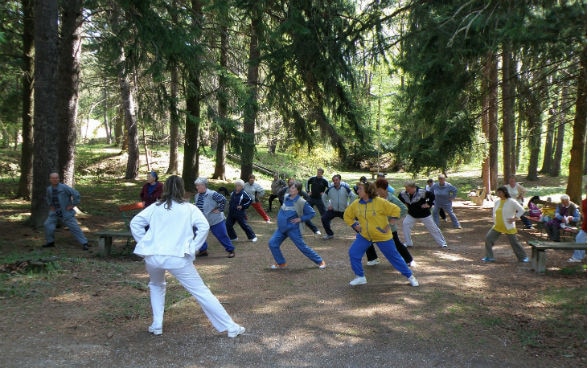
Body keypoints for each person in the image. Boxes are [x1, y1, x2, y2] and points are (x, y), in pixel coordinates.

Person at [130, 175, 245, 338]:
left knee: (156, 285)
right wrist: (193, 247)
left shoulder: (156, 207)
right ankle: (230, 326)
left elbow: (135, 223)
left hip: (153, 257)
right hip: (177, 257)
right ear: (181, 188)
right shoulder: (188, 208)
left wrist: (145, 243)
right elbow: (204, 226)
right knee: (200, 291)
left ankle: (157, 324)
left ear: (165, 189)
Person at [343, 181, 419, 287]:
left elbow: (396, 210)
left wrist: (389, 225)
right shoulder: (356, 203)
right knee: (353, 253)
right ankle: (360, 277)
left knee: (394, 257)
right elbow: (347, 215)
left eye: (360, 188)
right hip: (365, 235)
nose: (357, 190)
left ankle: (410, 276)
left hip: (382, 236)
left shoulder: (380, 202)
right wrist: (354, 224)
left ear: (368, 190)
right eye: (357, 188)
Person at [268, 181, 326, 270]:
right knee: (272, 243)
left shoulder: (301, 201)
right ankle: (281, 263)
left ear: (297, 190)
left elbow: (312, 213)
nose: (290, 189)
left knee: (302, 247)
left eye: (293, 188)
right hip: (281, 228)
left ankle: (320, 261)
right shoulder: (286, 197)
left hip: (292, 229)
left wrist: (300, 219)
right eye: (290, 187)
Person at [366, 178, 415, 267]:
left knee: (397, 244)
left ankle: (409, 260)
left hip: (389, 227)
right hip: (376, 226)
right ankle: (373, 258)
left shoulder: (392, 199)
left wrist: (393, 219)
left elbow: (404, 209)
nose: (376, 191)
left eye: (378, 189)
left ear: (383, 189)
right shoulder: (375, 198)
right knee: (367, 240)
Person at [43, 172, 89, 250]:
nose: (55, 180)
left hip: (66, 212)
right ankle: (50, 242)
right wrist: (50, 205)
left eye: (56, 178)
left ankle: (84, 243)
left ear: (59, 179)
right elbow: (48, 198)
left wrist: (73, 205)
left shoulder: (64, 187)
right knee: (47, 225)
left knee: (74, 227)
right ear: (50, 179)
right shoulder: (49, 189)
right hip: (54, 212)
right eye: (53, 178)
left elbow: (76, 194)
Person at [482, 186, 529, 263]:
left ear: (504, 192)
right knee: (488, 238)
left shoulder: (511, 201)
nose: (498, 194)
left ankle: (523, 257)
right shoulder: (497, 201)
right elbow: (495, 213)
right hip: (498, 225)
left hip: (508, 226)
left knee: (514, 242)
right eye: (498, 192)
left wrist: (515, 218)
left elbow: (522, 210)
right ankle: (489, 257)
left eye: (500, 192)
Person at [193, 177, 236, 258]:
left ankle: (231, 250)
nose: (197, 187)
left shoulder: (212, 194)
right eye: (196, 186)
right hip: (202, 221)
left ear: (203, 185)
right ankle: (203, 250)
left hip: (215, 220)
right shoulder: (197, 196)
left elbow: (223, 200)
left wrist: (219, 209)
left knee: (221, 235)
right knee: (197, 233)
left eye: (198, 185)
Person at [398, 180, 447, 248]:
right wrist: (406, 204)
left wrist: (428, 204)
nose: (407, 190)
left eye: (408, 189)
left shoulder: (422, 192)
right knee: (405, 224)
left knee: (433, 228)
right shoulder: (404, 193)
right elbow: (400, 197)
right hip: (412, 214)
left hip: (424, 214)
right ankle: (408, 242)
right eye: (406, 189)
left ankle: (442, 243)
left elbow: (432, 195)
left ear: (413, 187)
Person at [321, 174, 356, 240]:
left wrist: (349, 206)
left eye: (336, 180)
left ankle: (360, 234)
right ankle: (329, 234)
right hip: (333, 210)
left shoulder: (345, 188)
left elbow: (353, 196)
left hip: (344, 211)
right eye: (334, 180)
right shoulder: (330, 189)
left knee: (352, 221)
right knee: (324, 218)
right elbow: (324, 197)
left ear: (340, 180)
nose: (335, 181)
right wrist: (328, 205)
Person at [568, 198, 586, 262]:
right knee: (579, 238)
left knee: (580, 238)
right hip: (585, 226)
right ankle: (579, 256)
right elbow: (583, 215)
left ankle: (578, 257)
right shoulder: (584, 202)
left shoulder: (584, 202)